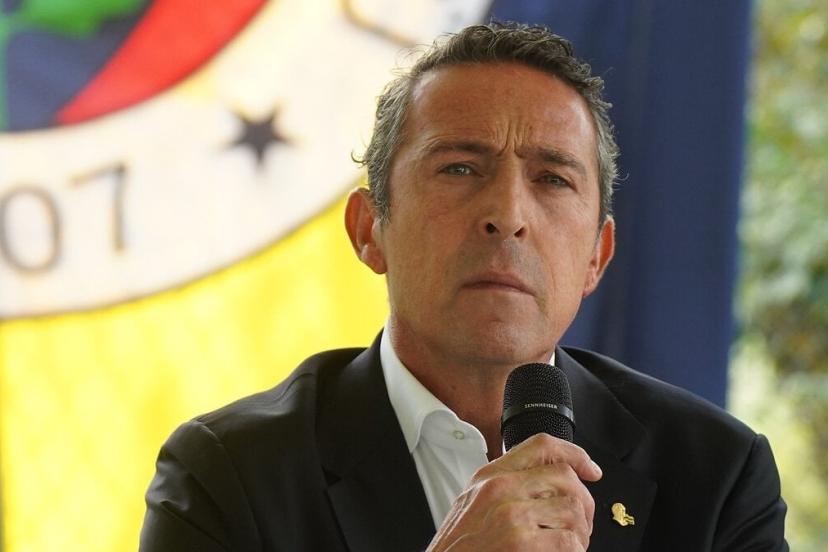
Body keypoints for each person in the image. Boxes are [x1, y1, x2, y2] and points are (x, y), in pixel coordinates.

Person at [140, 22, 788, 551]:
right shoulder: (227, 474)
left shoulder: (716, 473)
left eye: (552, 179)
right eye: (459, 167)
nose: (507, 214)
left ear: (597, 256)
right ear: (369, 230)